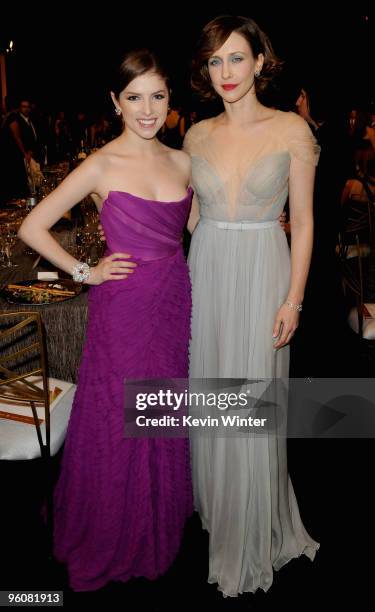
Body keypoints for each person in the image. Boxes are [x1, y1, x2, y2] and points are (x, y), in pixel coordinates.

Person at [18, 48, 193, 592]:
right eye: (134, 97)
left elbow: (199, 229)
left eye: (157, 96)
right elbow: (33, 226)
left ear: (170, 99)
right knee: (120, 410)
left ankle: (156, 518)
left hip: (173, 300)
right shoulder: (99, 164)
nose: (147, 110)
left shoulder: (184, 161)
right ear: (114, 102)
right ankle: (114, 526)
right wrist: (84, 271)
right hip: (122, 304)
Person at [183, 15, 320, 598]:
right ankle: (219, 508)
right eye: (215, 61)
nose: (225, 72)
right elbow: (186, 220)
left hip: (266, 268)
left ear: (261, 61)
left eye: (236, 58)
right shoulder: (195, 135)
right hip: (207, 268)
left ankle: (253, 528)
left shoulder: (292, 130)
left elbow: (306, 222)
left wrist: (295, 298)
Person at [0, 98, 41, 202]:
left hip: (14, 155)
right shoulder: (12, 116)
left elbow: (18, 137)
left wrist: (27, 152)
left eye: (28, 107)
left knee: (21, 183)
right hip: (12, 156)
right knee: (16, 183)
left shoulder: (12, 116)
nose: (2, 105)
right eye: (24, 106)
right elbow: (16, 137)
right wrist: (25, 154)